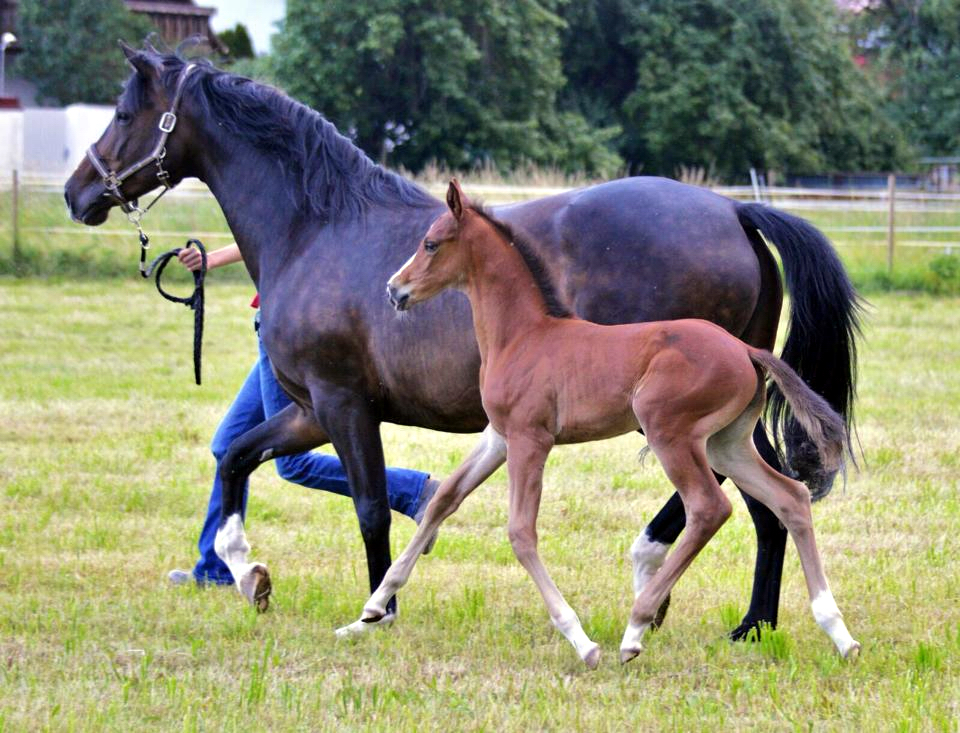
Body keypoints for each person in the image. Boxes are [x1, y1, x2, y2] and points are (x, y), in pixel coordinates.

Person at [168, 243, 438, 586]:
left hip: (286, 331)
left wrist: (214, 259)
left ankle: (414, 492)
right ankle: (215, 567)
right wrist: (212, 259)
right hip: (272, 327)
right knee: (229, 445)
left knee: (291, 463)